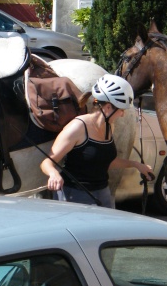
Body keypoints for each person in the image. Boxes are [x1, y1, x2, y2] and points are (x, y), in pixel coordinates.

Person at [40, 74, 154, 208]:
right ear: (107, 108)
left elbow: (104, 162)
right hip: (75, 195)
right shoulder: (78, 127)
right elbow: (47, 162)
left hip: (102, 193)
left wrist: (136, 164)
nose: (122, 114)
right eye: (121, 110)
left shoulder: (110, 126)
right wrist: (53, 174)